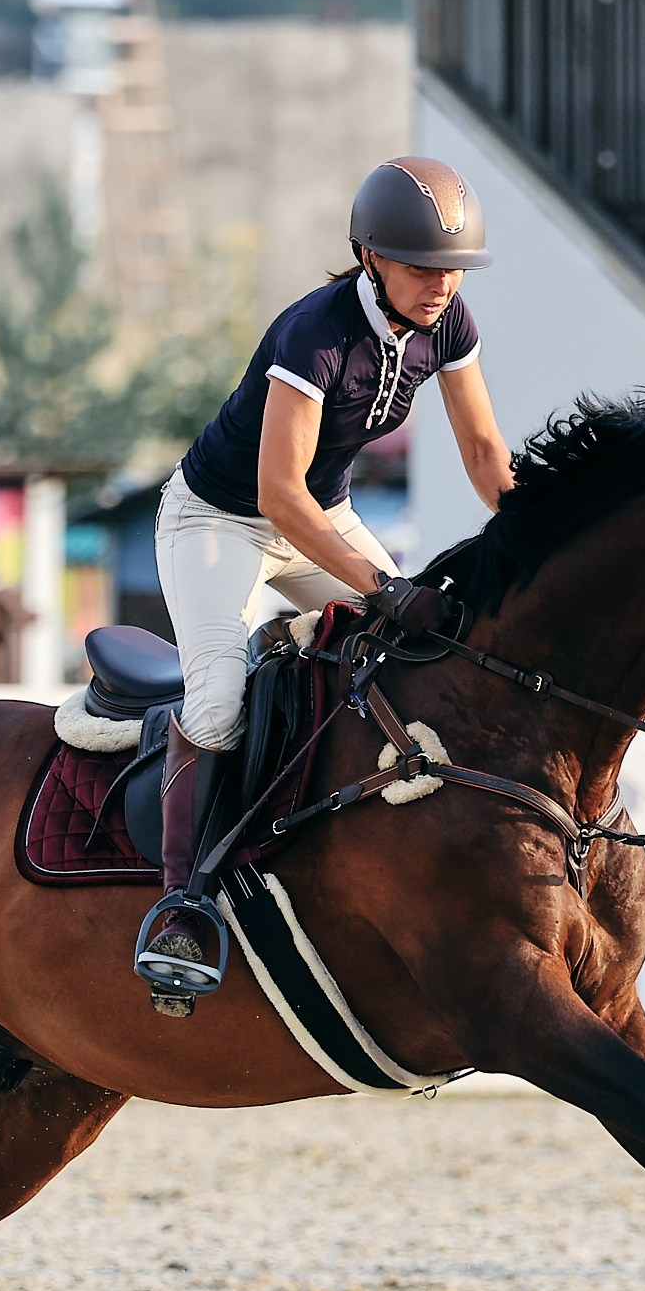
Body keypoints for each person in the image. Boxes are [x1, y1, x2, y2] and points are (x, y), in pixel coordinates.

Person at [132, 155, 515, 1010]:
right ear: (371, 256)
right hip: (219, 523)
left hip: (317, 516)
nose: (441, 286)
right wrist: (381, 584)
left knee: (428, 647)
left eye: (453, 270)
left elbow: (486, 455)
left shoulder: (446, 324)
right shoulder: (317, 333)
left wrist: (537, 538)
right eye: (423, 267)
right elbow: (275, 493)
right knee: (220, 700)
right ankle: (179, 904)